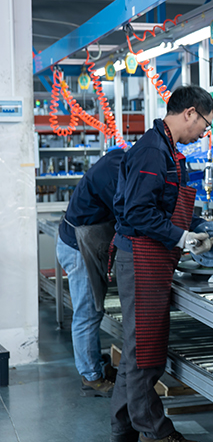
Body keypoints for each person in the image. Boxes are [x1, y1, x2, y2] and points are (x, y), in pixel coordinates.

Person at [110, 86, 213, 442]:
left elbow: (163, 205)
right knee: (146, 352)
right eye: (205, 124)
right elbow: (138, 211)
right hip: (140, 257)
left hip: (150, 256)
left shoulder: (167, 150)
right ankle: (157, 431)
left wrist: (196, 227)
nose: (204, 133)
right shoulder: (153, 151)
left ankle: (122, 428)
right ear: (190, 113)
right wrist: (181, 238)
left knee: (136, 351)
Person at [56, 146, 125, 397]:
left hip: (81, 244)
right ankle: (91, 377)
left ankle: (94, 366)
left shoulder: (119, 162)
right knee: (87, 313)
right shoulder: (114, 174)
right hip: (78, 248)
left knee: (92, 311)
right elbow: (129, 214)